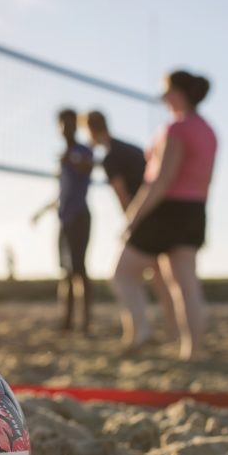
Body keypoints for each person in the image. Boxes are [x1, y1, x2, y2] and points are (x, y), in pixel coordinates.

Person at [113, 70, 217, 361]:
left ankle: (142, 330)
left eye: (165, 90)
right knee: (185, 283)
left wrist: (133, 218)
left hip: (167, 208)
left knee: (122, 273)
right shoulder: (208, 130)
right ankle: (193, 350)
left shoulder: (177, 129)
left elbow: (160, 180)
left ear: (177, 92)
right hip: (195, 208)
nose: (161, 97)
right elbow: (206, 180)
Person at [83, 109, 178, 342]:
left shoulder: (110, 157)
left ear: (91, 131)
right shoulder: (132, 148)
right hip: (164, 215)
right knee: (160, 275)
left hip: (144, 218)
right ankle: (173, 331)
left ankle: (142, 331)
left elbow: (124, 198)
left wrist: (129, 225)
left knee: (120, 275)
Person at [32, 109, 94, 334]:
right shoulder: (63, 158)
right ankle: (67, 322)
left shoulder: (81, 151)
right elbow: (61, 193)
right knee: (66, 272)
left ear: (75, 126)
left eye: (70, 124)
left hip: (79, 216)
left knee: (79, 269)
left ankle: (85, 322)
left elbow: (87, 165)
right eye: (63, 124)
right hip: (64, 219)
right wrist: (41, 211)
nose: (66, 128)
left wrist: (73, 159)